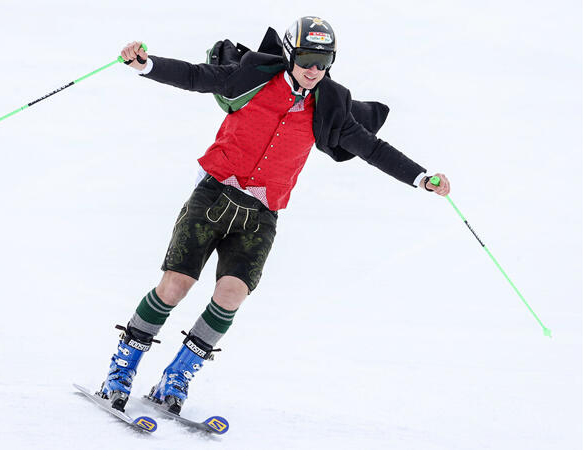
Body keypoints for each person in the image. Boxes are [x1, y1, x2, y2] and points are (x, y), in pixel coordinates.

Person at [96, 16, 451, 414]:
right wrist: (147, 65)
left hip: (261, 213)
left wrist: (421, 177)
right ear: (289, 54)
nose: (313, 69)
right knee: (174, 285)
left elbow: (372, 148)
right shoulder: (253, 77)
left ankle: (176, 376)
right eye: (306, 58)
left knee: (231, 295)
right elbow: (198, 77)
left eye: (323, 61)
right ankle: (122, 369)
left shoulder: (330, 105)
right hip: (214, 195)